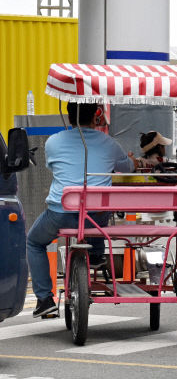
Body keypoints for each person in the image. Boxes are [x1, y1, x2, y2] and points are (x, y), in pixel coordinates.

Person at [26, 102, 138, 318]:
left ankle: (45, 298)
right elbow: (126, 168)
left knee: (34, 242)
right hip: (95, 217)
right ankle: (95, 254)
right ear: (95, 116)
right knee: (97, 214)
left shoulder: (53, 142)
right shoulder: (109, 143)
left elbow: (53, 166)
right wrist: (131, 159)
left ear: (69, 117)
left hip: (61, 213)